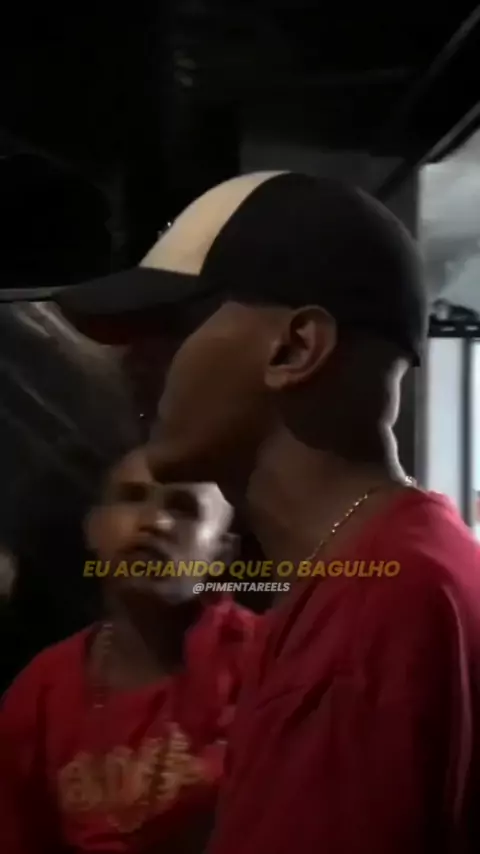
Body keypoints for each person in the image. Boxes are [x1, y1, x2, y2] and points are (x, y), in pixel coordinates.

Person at [7, 170, 480, 852]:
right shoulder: (384, 574)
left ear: (295, 348)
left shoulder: (377, 613)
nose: (133, 359)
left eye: (174, 327)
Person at [0, 447, 259, 853]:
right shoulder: (40, 691)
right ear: (93, 529)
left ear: (221, 554)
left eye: (184, 509)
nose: (155, 522)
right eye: (133, 498)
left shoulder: (270, 659)